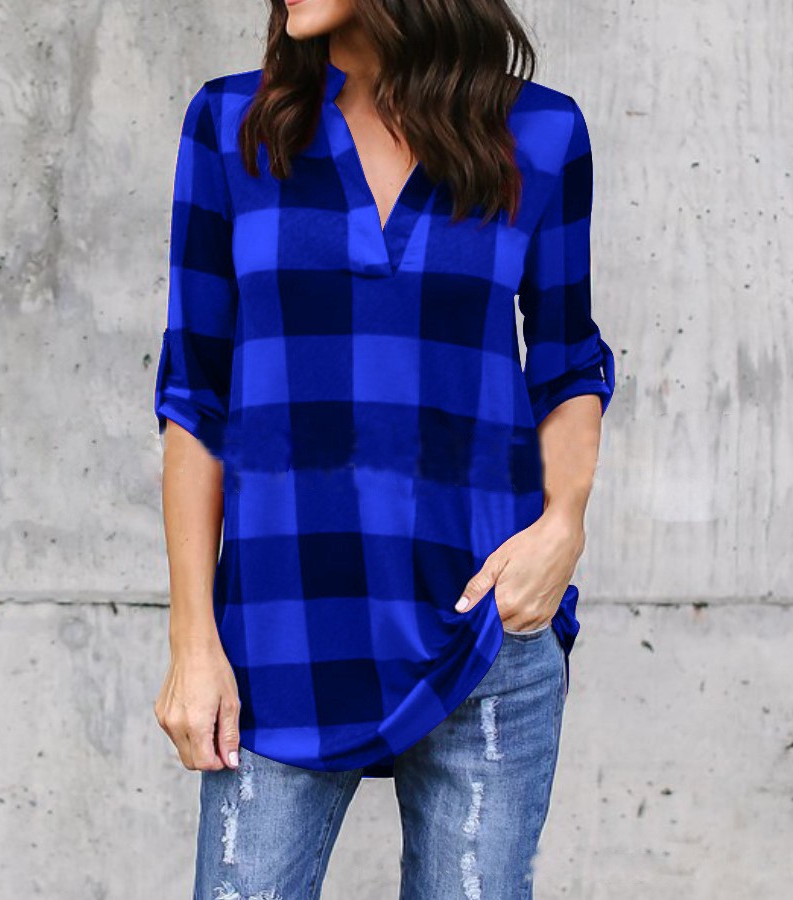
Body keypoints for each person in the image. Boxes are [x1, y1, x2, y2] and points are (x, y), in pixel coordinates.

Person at [153, 1, 616, 898]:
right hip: (280, 638)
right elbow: (195, 397)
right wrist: (192, 639)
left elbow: (567, 365)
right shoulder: (233, 125)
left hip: (484, 623)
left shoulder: (539, 132)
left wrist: (563, 525)